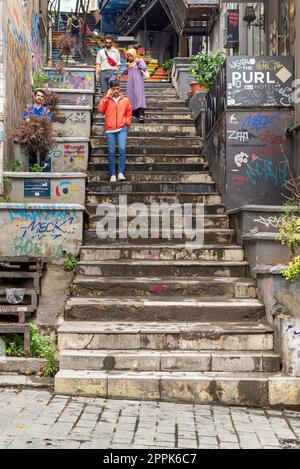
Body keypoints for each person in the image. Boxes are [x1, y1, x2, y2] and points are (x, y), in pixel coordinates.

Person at [98, 80, 132, 182]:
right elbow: (100, 109)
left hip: (122, 129)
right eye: (113, 89)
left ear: (119, 88)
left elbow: (129, 112)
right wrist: (106, 96)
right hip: (110, 129)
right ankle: (112, 174)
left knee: (122, 149)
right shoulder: (107, 100)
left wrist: (127, 123)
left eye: (117, 88)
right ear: (110, 89)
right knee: (111, 151)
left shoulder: (125, 100)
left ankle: (120, 173)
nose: (116, 91)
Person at [23, 89, 52, 169]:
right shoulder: (29, 108)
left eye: (42, 96)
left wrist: (38, 126)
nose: (40, 97)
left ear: (43, 98)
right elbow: (27, 120)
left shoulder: (46, 110)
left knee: (43, 149)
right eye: (38, 95)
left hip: (42, 134)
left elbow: (47, 122)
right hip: (30, 133)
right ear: (35, 96)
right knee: (32, 152)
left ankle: (41, 165)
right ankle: (34, 166)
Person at [126, 48, 148, 123]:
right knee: (131, 97)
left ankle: (141, 114)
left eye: (131, 55)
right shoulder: (128, 63)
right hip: (130, 83)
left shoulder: (139, 61)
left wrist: (138, 62)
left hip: (138, 82)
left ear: (134, 54)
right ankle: (134, 113)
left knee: (139, 97)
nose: (129, 57)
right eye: (128, 56)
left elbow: (144, 68)